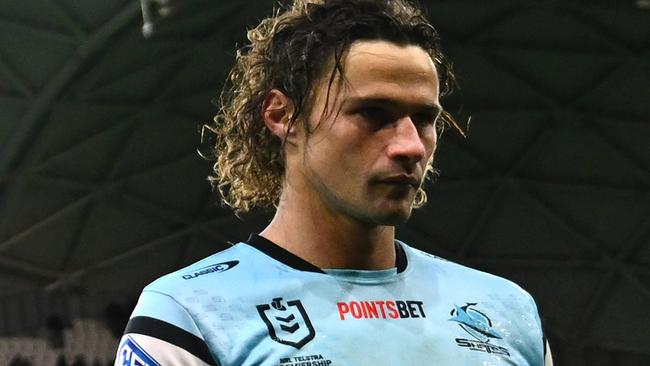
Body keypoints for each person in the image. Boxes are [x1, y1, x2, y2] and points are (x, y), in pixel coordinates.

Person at [115, 0, 553, 365]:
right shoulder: (189, 316)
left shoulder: (506, 311)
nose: (411, 147)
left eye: (424, 119)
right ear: (282, 116)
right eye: (373, 114)